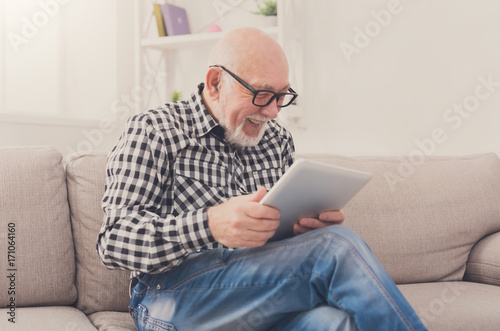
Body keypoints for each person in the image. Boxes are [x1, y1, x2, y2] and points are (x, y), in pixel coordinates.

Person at [97, 27, 426, 331]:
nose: (273, 111)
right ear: (215, 83)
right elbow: (113, 242)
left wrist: (306, 231)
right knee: (335, 247)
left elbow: (284, 249)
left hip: (259, 293)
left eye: (282, 95)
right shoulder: (155, 129)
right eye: (262, 93)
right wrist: (209, 225)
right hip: (169, 297)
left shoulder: (276, 140)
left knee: (333, 322)